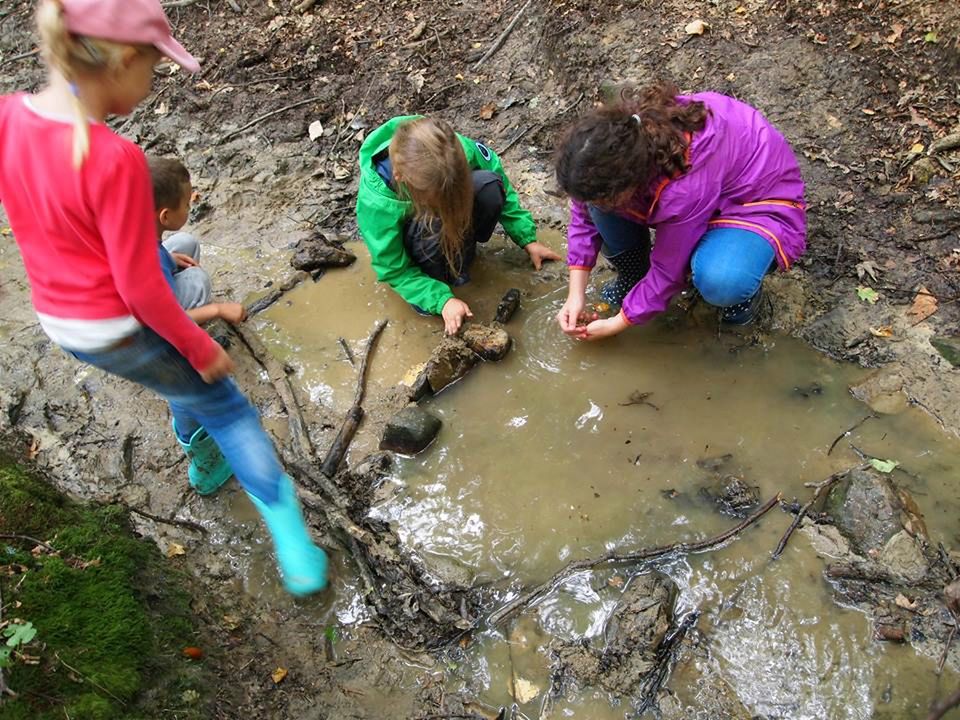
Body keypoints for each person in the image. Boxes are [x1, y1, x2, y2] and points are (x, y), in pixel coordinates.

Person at [0, 0, 327, 597]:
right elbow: (140, 288)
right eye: (153, 68)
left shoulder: (10, 117)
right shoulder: (115, 159)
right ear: (123, 60)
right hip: (119, 323)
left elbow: (74, 229)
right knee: (227, 408)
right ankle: (293, 542)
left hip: (63, 323)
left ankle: (194, 438)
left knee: (178, 384)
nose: (152, 83)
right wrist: (198, 345)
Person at [553, 82, 806, 340]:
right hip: (704, 190)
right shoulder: (614, 148)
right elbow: (583, 214)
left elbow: (668, 268)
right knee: (598, 203)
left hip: (754, 200)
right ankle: (633, 276)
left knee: (722, 280)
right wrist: (575, 295)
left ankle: (742, 302)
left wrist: (618, 323)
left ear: (630, 179)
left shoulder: (683, 184)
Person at [355, 115, 561, 335]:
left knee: (488, 184)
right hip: (419, 242)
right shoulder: (377, 205)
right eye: (439, 199)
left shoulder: (453, 149)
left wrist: (527, 238)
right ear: (399, 176)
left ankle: (461, 256)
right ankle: (434, 285)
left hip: (445, 221)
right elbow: (394, 270)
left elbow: (497, 174)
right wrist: (442, 301)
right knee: (433, 225)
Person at [147, 155, 246, 326]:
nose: (189, 208)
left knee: (186, 242)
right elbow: (162, 322)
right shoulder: (144, 260)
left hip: (141, 290)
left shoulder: (134, 232)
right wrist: (217, 310)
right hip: (146, 327)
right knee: (198, 280)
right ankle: (191, 316)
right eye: (186, 205)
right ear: (165, 216)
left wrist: (169, 259)